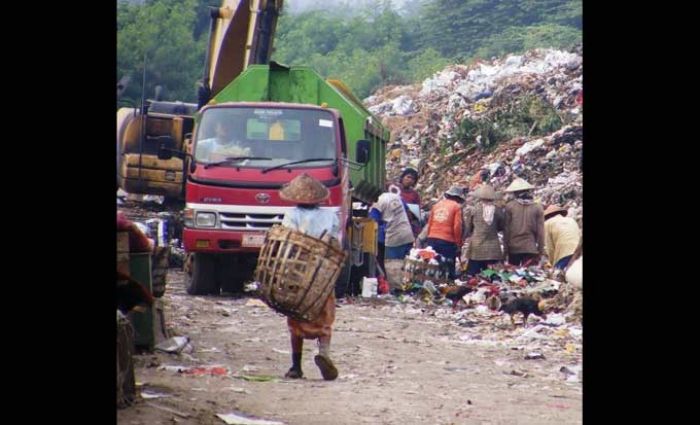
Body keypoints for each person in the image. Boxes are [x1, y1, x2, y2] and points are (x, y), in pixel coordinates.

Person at [279, 173, 340, 381]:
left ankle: (296, 367)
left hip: (299, 269)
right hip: (323, 270)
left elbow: (288, 239)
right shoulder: (331, 215)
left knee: (296, 316)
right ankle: (324, 353)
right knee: (324, 312)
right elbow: (335, 240)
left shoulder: (291, 214)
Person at [370, 185, 415, 288]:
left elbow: (373, 221)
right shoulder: (397, 197)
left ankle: (396, 289)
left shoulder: (377, 202)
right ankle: (408, 286)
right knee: (405, 264)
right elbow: (408, 213)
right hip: (407, 234)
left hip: (394, 237)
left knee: (393, 265)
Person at [463, 184, 504, 276]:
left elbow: (468, 227)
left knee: (473, 275)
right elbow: (502, 226)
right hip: (493, 248)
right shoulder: (497, 210)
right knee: (492, 275)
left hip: (477, 247)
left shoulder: (474, 209)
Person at [425, 186, 465, 280]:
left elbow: (429, 223)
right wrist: (458, 243)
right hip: (447, 241)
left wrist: (429, 238)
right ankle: (449, 287)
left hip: (432, 238)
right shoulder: (456, 206)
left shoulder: (436, 205)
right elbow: (457, 226)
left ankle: (433, 285)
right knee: (448, 266)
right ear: (458, 198)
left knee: (433, 265)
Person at [503, 178, 545, 266]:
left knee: (514, 277)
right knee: (530, 277)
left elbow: (506, 230)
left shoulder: (510, 206)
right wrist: (540, 251)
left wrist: (505, 250)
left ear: (515, 193)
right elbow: (541, 232)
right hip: (530, 247)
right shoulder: (537, 207)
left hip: (514, 248)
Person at [543, 205, 581, 270]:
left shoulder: (547, 223)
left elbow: (549, 248)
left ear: (548, 216)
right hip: (578, 254)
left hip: (564, 254)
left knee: (558, 276)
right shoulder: (571, 220)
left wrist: (552, 264)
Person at [397, 168, 422, 236]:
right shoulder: (394, 188)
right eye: (408, 177)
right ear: (402, 177)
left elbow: (416, 214)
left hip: (406, 225)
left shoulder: (414, 195)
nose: (410, 180)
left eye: (413, 179)